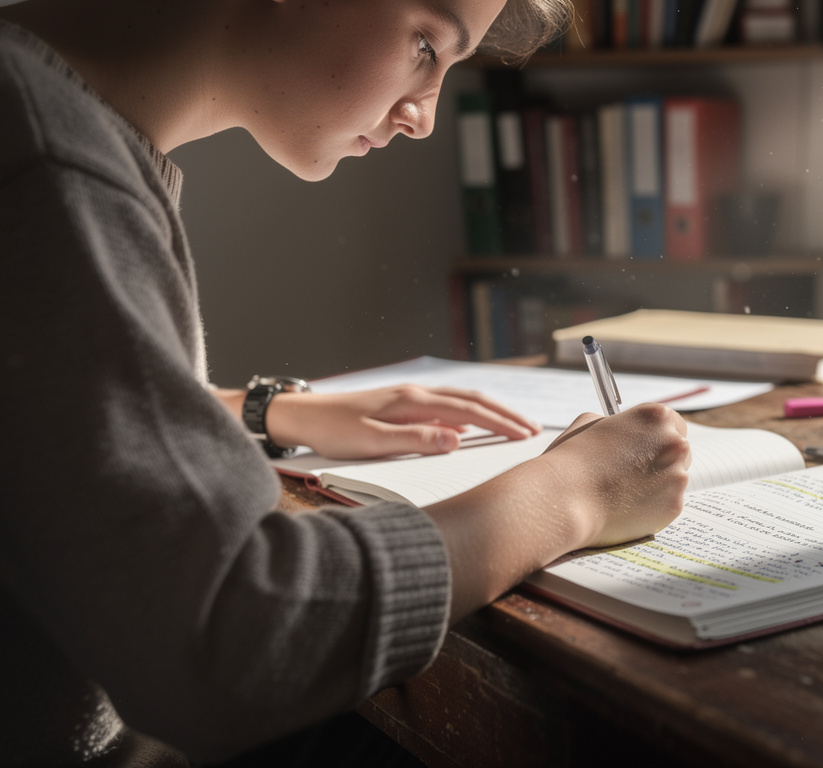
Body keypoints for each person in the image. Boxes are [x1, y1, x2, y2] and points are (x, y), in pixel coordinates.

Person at [0, 0, 692, 765]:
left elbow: (52, 431)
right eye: (427, 45)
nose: (423, 118)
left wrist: (268, 412)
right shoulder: (46, 164)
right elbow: (227, 643)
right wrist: (573, 491)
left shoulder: (47, 116)